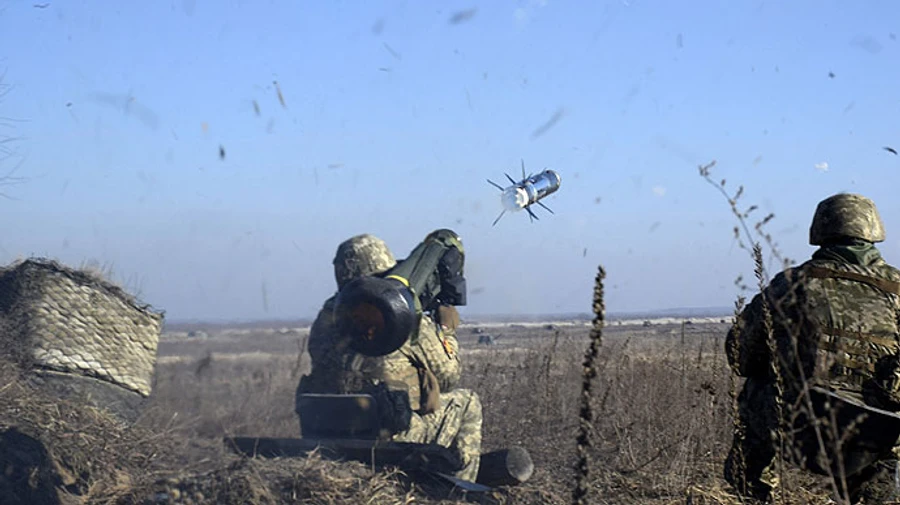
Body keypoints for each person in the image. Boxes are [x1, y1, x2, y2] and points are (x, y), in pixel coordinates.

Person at [724, 193, 900, 503]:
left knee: (758, 385)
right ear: (874, 230)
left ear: (820, 229)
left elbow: (740, 355)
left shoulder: (791, 284)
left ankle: (754, 484)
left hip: (799, 425)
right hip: (873, 434)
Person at [296, 233, 483, 481]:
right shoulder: (398, 315)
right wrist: (446, 330)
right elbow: (449, 376)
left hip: (327, 434)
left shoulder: (325, 319)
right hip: (390, 437)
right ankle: (455, 492)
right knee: (468, 402)